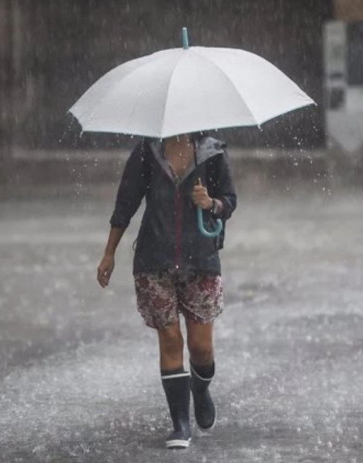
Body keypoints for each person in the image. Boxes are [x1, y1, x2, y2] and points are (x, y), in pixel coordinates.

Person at [96, 132, 236, 449]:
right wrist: (109, 253)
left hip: (200, 259)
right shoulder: (148, 152)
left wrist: (211, 203)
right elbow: (125, 203)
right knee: (170, 339)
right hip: (154, 259)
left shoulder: (212, 153)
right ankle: (180, 424)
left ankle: (199, 392)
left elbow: (230, 200)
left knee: (201, 347)